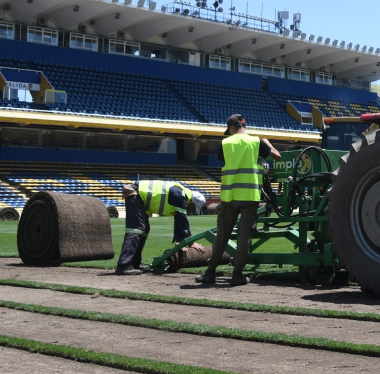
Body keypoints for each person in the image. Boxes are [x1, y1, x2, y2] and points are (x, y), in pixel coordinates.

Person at [197, 114, 281, 286]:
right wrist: (267, 143)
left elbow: (226, 159)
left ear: (231, 128)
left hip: (230, 196)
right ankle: (237, 274)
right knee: (244, 236)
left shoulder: (226, 143)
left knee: (222, 235)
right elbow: (277, 156)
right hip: (250, 196)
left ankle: (210, 272)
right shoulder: (256, 142)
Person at [116, 181, 206, 275]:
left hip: (139, 197)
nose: (193, 211)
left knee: (144, 230)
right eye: (194, 208)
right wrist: (190, 242)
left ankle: (135, 263)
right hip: (135, 194)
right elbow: (183, 221)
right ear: (192, 202)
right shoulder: (180, 195)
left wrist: (179, 241)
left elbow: (178, 220)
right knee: (137, 229)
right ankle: (124, 265)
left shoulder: (180, 195)